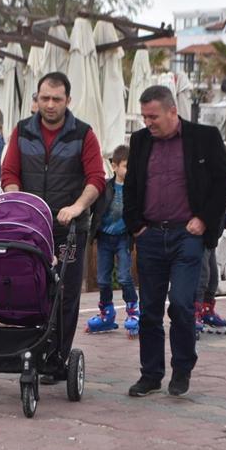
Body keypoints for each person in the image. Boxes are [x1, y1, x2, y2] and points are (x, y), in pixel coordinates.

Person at [124, 85, 226, 397]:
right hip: (149, 235)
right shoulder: (140, 140)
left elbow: (225, 181)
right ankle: (150, 374)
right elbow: (131, 183)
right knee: (149, 310)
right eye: (144, 116)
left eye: (153, 116)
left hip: (187, 235)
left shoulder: (204, 137)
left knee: (183, 306)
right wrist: (135, 226)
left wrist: (204, 218)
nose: (148, 122)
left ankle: (182, 369)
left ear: (173, 111)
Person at [1, 71, 106, 384]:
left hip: (68, 231)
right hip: (31, 229)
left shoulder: (83, 134)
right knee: (31, 288)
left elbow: (96, 179)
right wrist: (19, 202)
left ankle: (57, 357)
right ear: (37, 98)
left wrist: (76, 207)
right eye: (44, 98)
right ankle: (32, 348)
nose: (49, 104)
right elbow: (9, 173)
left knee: (65, 291)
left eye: (56, 99)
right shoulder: (22, 131)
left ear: (68, 101)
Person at [85, 144, 139, 337]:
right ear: (114, 166)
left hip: (123, 239)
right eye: (125, 166)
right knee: (102, 279)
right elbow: (92, 209)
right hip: (105, 239)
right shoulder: (105, 188)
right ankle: (106, 313)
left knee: (125, 277)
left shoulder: (135, 190)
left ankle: (133, 311)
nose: (129, 171)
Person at [195, 212, 226, 335]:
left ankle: (206, 311)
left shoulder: (219, 196)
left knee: (213, 280)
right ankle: (195, 313)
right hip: (199, 239)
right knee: (202, 278)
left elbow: (223, 213)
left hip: (211, 241)